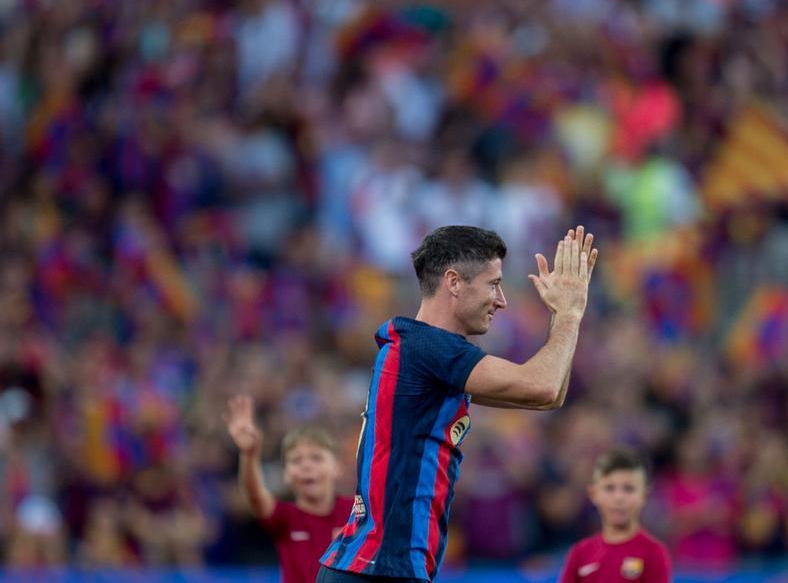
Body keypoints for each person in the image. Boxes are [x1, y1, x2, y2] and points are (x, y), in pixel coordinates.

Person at [318, 224, 599, 581]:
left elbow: (549, 396)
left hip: (375, 568)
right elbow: (542, 387)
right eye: (493, 284)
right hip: (380, 569)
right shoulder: (428, 349)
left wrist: (562, 317)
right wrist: (570, 314)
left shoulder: (415, 352)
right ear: (453, 282)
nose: (501, 300)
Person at [225, 395, 354, 583]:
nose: (306, 466)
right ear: (285, 473)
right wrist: (249, 454)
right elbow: (255, 497)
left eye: (316, 458)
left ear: (336, 467)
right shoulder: (285, 517)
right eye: (296, 460)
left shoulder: (355, 513)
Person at [560, 447, 672, 583]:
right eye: (609, 488)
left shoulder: (653, 553)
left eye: (628, 489)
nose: (619, 498)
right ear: (593, 494)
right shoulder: (580, 553)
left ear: (644, 496)